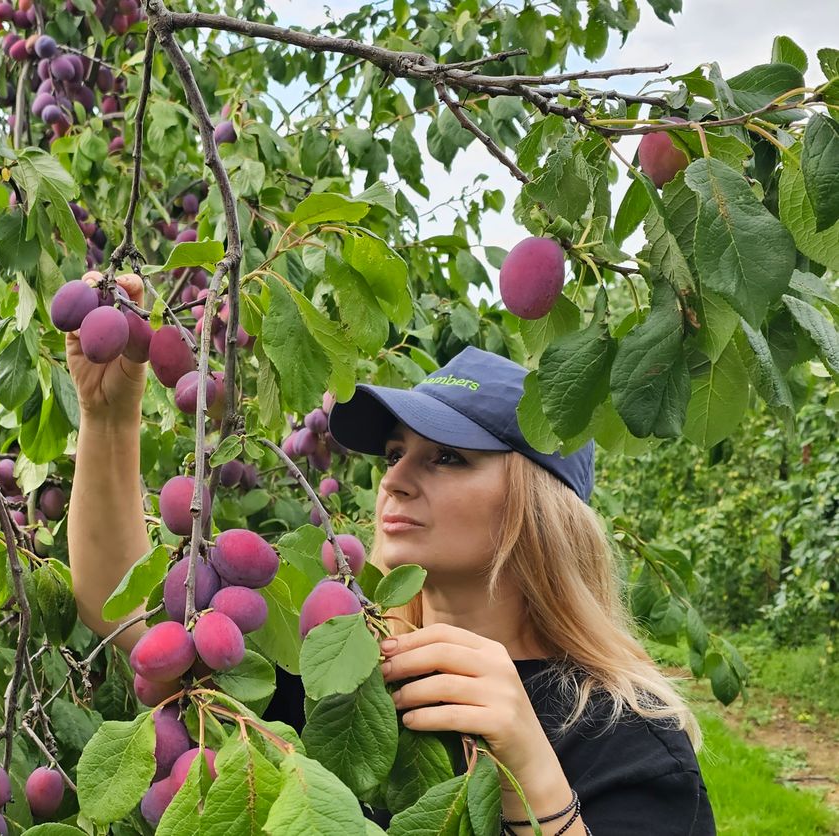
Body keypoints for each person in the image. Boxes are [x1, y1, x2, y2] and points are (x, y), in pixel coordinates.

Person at [67, 273, 715, 835]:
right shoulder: (340, 670)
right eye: (394, 453)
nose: (395, 478)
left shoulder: (626, 741)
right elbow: (125, 613)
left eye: (448, 457)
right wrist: (108, 418)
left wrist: (531, 772)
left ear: (538, 506)